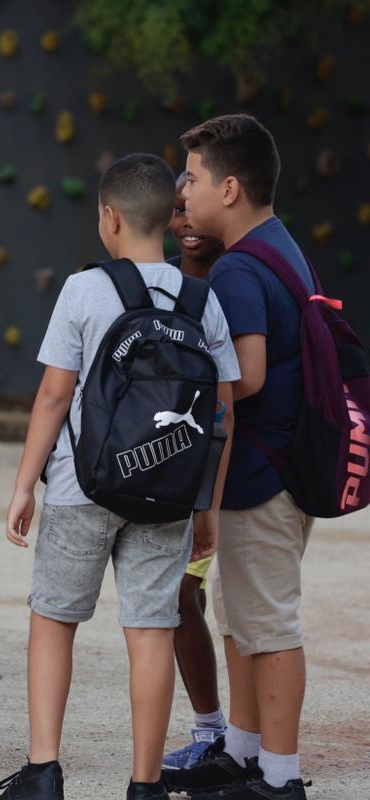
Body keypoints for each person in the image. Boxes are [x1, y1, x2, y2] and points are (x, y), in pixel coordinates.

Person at [0, 154, 239, 800]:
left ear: (108, 217)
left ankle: (44, 772)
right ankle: (146, 783)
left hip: (84, 486)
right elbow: (222, 412)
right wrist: (206, 503)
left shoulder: (86, 289)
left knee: (54, 620)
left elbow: (53, 397)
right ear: (169, 217)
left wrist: (23, 485)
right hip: (168, 492)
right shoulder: (201, 299)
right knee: (151, 629)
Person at [165, 115, 315, 799]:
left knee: (270, 625)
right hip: (272, 469)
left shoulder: (238, 269)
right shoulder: (277, 247)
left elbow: (245, 374)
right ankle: (245, 754)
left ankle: (279, 778)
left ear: (228, 188)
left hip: (263, 472)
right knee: (244, 617)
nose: (184, 193)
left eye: (192, 178)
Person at [161, 172, 229, 772]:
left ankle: (216, 731)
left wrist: (210, 497)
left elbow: (233, 396)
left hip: (218, 477)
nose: (185, 223)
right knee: (184, 601)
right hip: (170, 470)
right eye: (176, 211)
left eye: (193, 209)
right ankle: (215, 730)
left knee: (186, 597)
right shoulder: (160, 285)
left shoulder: (232, 284)